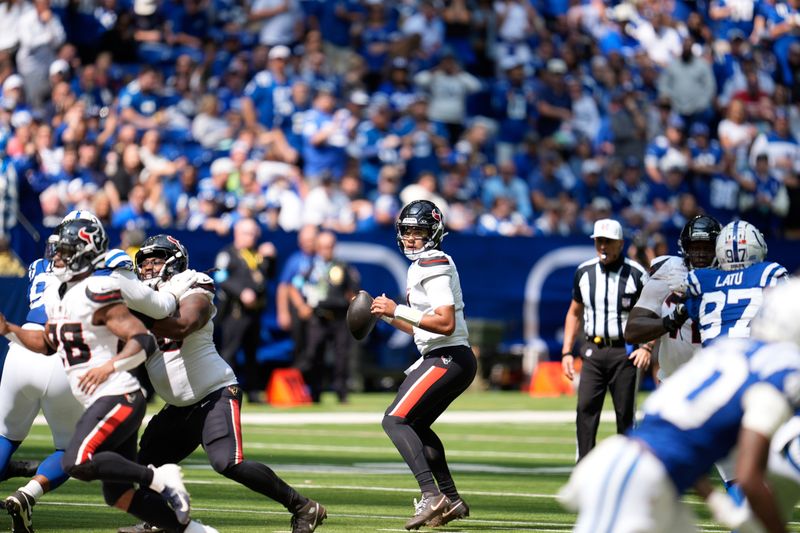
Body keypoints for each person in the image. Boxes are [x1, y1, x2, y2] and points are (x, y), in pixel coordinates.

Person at [0, 218, 216, 533]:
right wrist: (9, 330)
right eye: (57, 251)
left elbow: (142, 338)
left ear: (87, 254)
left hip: (117, 393)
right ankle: (195, 531)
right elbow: (47, 345)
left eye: (65, 251)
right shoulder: (57, 294)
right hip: (94, 394)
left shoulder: (103, 286)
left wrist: (107, 367)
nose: (57, 258)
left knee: (77, 460)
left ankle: (160, 478)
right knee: (118, 493)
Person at [116, 234, 326, 533]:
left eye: (157, 259)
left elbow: (184, 324)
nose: (149, 267)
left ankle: (303, 507)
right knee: (146, 463)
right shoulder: (143, 299)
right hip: (178, 406)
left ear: (175, 261)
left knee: (228, 462)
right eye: (145, 261)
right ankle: (158, 521)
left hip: (215, 393)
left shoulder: (191, 284)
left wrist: (136, 317)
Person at [558, 279, 800, 533]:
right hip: (637, 476)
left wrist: (714, 499)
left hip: (646, 474)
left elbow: (679, 434)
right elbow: (749, 476)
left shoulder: (729, 349)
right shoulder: (778, 373)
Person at [370, 200, 477, 530]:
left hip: (448, 356)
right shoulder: (422, 265)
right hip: (444, 356)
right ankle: (451, 498)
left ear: (435, 233)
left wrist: (398, 309)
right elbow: (422, 325)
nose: (412, 238)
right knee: (414, 424)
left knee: (395, 421)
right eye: (407, 231)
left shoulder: (433, 262)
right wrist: (389, 315)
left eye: (419, 231)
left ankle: (432, 495)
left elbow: (444, 323)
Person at [561, 218, 649, 460]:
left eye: (608, 241)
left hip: (626, 352)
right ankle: (584, 466)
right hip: (593, 350)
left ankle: (626, 470)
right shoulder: (584, 272)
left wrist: (648, 347)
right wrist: (567, 351)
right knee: (585, 409)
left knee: (625, 416)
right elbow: (574, 312)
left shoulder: (636, 274)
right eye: (599, 241)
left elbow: (654, 312)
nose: (603, 246)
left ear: (620, 243)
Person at [624, 215, 721, 381]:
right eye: (694, 247)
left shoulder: (731, 275)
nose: (700, 254)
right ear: (684, 247)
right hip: (673, 380)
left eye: (707, 247)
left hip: (716, 378)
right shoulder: (669, 271)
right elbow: (632, 331)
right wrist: (671, 320)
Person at [682, 220, 788, 347]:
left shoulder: (699, 280)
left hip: (713, 358)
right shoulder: (769, 273)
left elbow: (691, 311)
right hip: (755, 354)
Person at [290, 231, 359, 403]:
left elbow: (352, 293)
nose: (326, 250)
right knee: (314, 355)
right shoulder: (310, 268)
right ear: (317, 247)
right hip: (318, 317)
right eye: (322, 247)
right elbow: (294, 287)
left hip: (339, 316)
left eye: (329, 246)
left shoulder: (342, 267)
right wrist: (301, 306)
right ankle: (315, 392)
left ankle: (341, 392)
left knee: (341, 356)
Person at [213, 218, 277, 403]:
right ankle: (225, 390)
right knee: (230, 352)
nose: (252, 237)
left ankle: (253, 391)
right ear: (237, 233)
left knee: (252, 354)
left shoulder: (257, 255)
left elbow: (268, 276)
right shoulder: (228, 254)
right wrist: (241, 292)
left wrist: (271, 258)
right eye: (248, 233)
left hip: (254, 312)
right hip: (235, 312)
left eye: (254, 233)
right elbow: (220, 277)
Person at [275, 224, 318, 363]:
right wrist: (283, 312)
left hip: (318, 308)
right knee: (299, 345)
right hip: (298, 308)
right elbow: (284, 287)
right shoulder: (295, 261)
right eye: (305, 240)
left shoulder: (322, 260)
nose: (308, 244)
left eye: (311, 240)